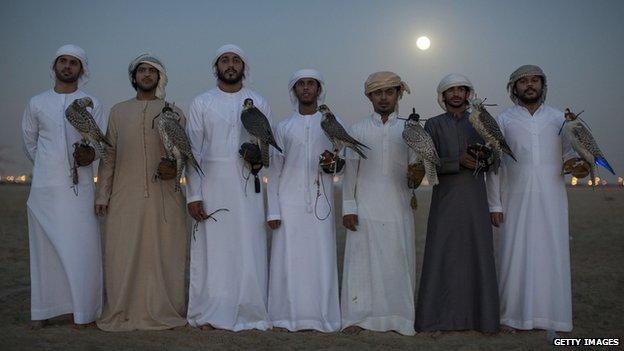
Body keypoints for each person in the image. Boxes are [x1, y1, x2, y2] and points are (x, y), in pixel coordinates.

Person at [487, 65, 586, 333]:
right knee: (513, 255)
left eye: (534, 81)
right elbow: (494, 165)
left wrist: (578, 162)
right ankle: (512, 318)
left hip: (552, 198)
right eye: (523, 81)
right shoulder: (504, 119)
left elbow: (570, 155)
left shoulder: (559, 118)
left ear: (542, 85)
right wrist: (494, 204)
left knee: (552, 253)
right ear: (513, 88)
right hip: (514, 199)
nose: (529, 85)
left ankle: (553, 318)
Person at [95, 53, 188, 331]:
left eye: (152, 71)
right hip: (125, 196)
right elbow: (109, 156)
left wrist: (176, 172)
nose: (146, 75)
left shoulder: (173, 111)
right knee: (122, 253)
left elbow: (183, 153)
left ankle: (162, 309)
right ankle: (123, 310)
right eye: (141, 71)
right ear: (134, 78)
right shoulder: (118, 112)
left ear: (160, 77)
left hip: (165, 196)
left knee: (164, 253)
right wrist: (103, 194)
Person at [185, 44, 272, 331]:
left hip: (248, 186)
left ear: (243, 67)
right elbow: (193, 152)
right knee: (215, 250)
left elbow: (266, 145)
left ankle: (250, 311)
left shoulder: (258, 100)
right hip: (211, 184)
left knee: (249, 246)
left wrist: (259, 161)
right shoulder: (201, 102)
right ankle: (211, 311)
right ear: (217, 67)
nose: (230, 65)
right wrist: (194, 194)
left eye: (236, 60)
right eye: (225, 60)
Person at [21, 44, 104, 329]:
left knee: (82, 249)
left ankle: (83, 312)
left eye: (74, 63)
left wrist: (88, 157)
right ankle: (44, 310)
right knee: (45, 250)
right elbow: (30, 143)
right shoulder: (36, 103)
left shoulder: (92, 101)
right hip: (45, 190)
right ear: (55, 66)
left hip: (79, 190)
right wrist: (49, 166)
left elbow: (99, 145)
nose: (68, 67)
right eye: (63, 61)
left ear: (82, 70)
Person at [415, 73, 499, 334]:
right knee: (443, 255)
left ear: (468, 94)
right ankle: (436, 319)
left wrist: (485, 159)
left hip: (475, 198)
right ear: (442, 96)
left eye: (461, 90)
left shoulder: (481, 120)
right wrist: (457, 161)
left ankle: (481, 319)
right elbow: (428, 164)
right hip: (445, 200)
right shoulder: (433, 126)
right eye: (450, 90)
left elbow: (497, 159)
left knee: (477, 255)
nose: (456, 94)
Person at [341, 71, 417, 336]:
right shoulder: (358, 129)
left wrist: (417, 175)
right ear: (369, 96)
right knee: (361, 263)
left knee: (398, 261)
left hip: (398, 206)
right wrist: (349, 208)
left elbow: (416, 170)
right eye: (378, 93)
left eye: (389, 92)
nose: (384, 98)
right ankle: (357, 317)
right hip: (365, 207)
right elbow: (350, 171)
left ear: (399, 94)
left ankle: (400, 318)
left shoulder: (409, 129)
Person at [266, 69, 341, 332]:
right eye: (301, 84)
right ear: (294, 90)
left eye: (311, 84)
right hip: (289, 202)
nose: (307, 89)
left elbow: (340, 163)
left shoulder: (333, 122)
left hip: (322, 201)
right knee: (289, 258)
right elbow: (274, 170)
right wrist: (273, 210)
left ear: (319, 90)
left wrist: (335, 165)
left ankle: (322, 317)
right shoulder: (283, 127)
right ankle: (285, 317)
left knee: (321, 255)